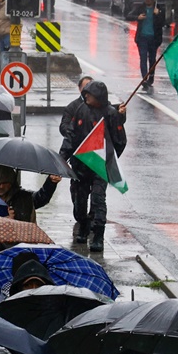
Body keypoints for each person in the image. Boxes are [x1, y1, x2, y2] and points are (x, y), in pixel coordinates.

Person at [58, 80, 126, 249]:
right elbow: (71, 136)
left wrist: (109, 157)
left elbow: (120, 140)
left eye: (89, 94)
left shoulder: (111, 114)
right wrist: (62, 158)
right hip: (81, 165)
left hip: (100, 166)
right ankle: (83, 226)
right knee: (80, 200)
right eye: (85, 93)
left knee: (98, 200)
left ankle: (98, 236)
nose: (86, 96)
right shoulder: (80, 110)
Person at [132, 0, 166, 90]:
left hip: (153, 39)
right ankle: (144, 79)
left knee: (152, 59)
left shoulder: (159, 9)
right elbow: (129, 15)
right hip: (142, 38)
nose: (147, 0)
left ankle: (151, 77)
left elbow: (163, 23)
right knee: (143, 58)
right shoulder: (140, 8)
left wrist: (158, 14)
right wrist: (138, 17)